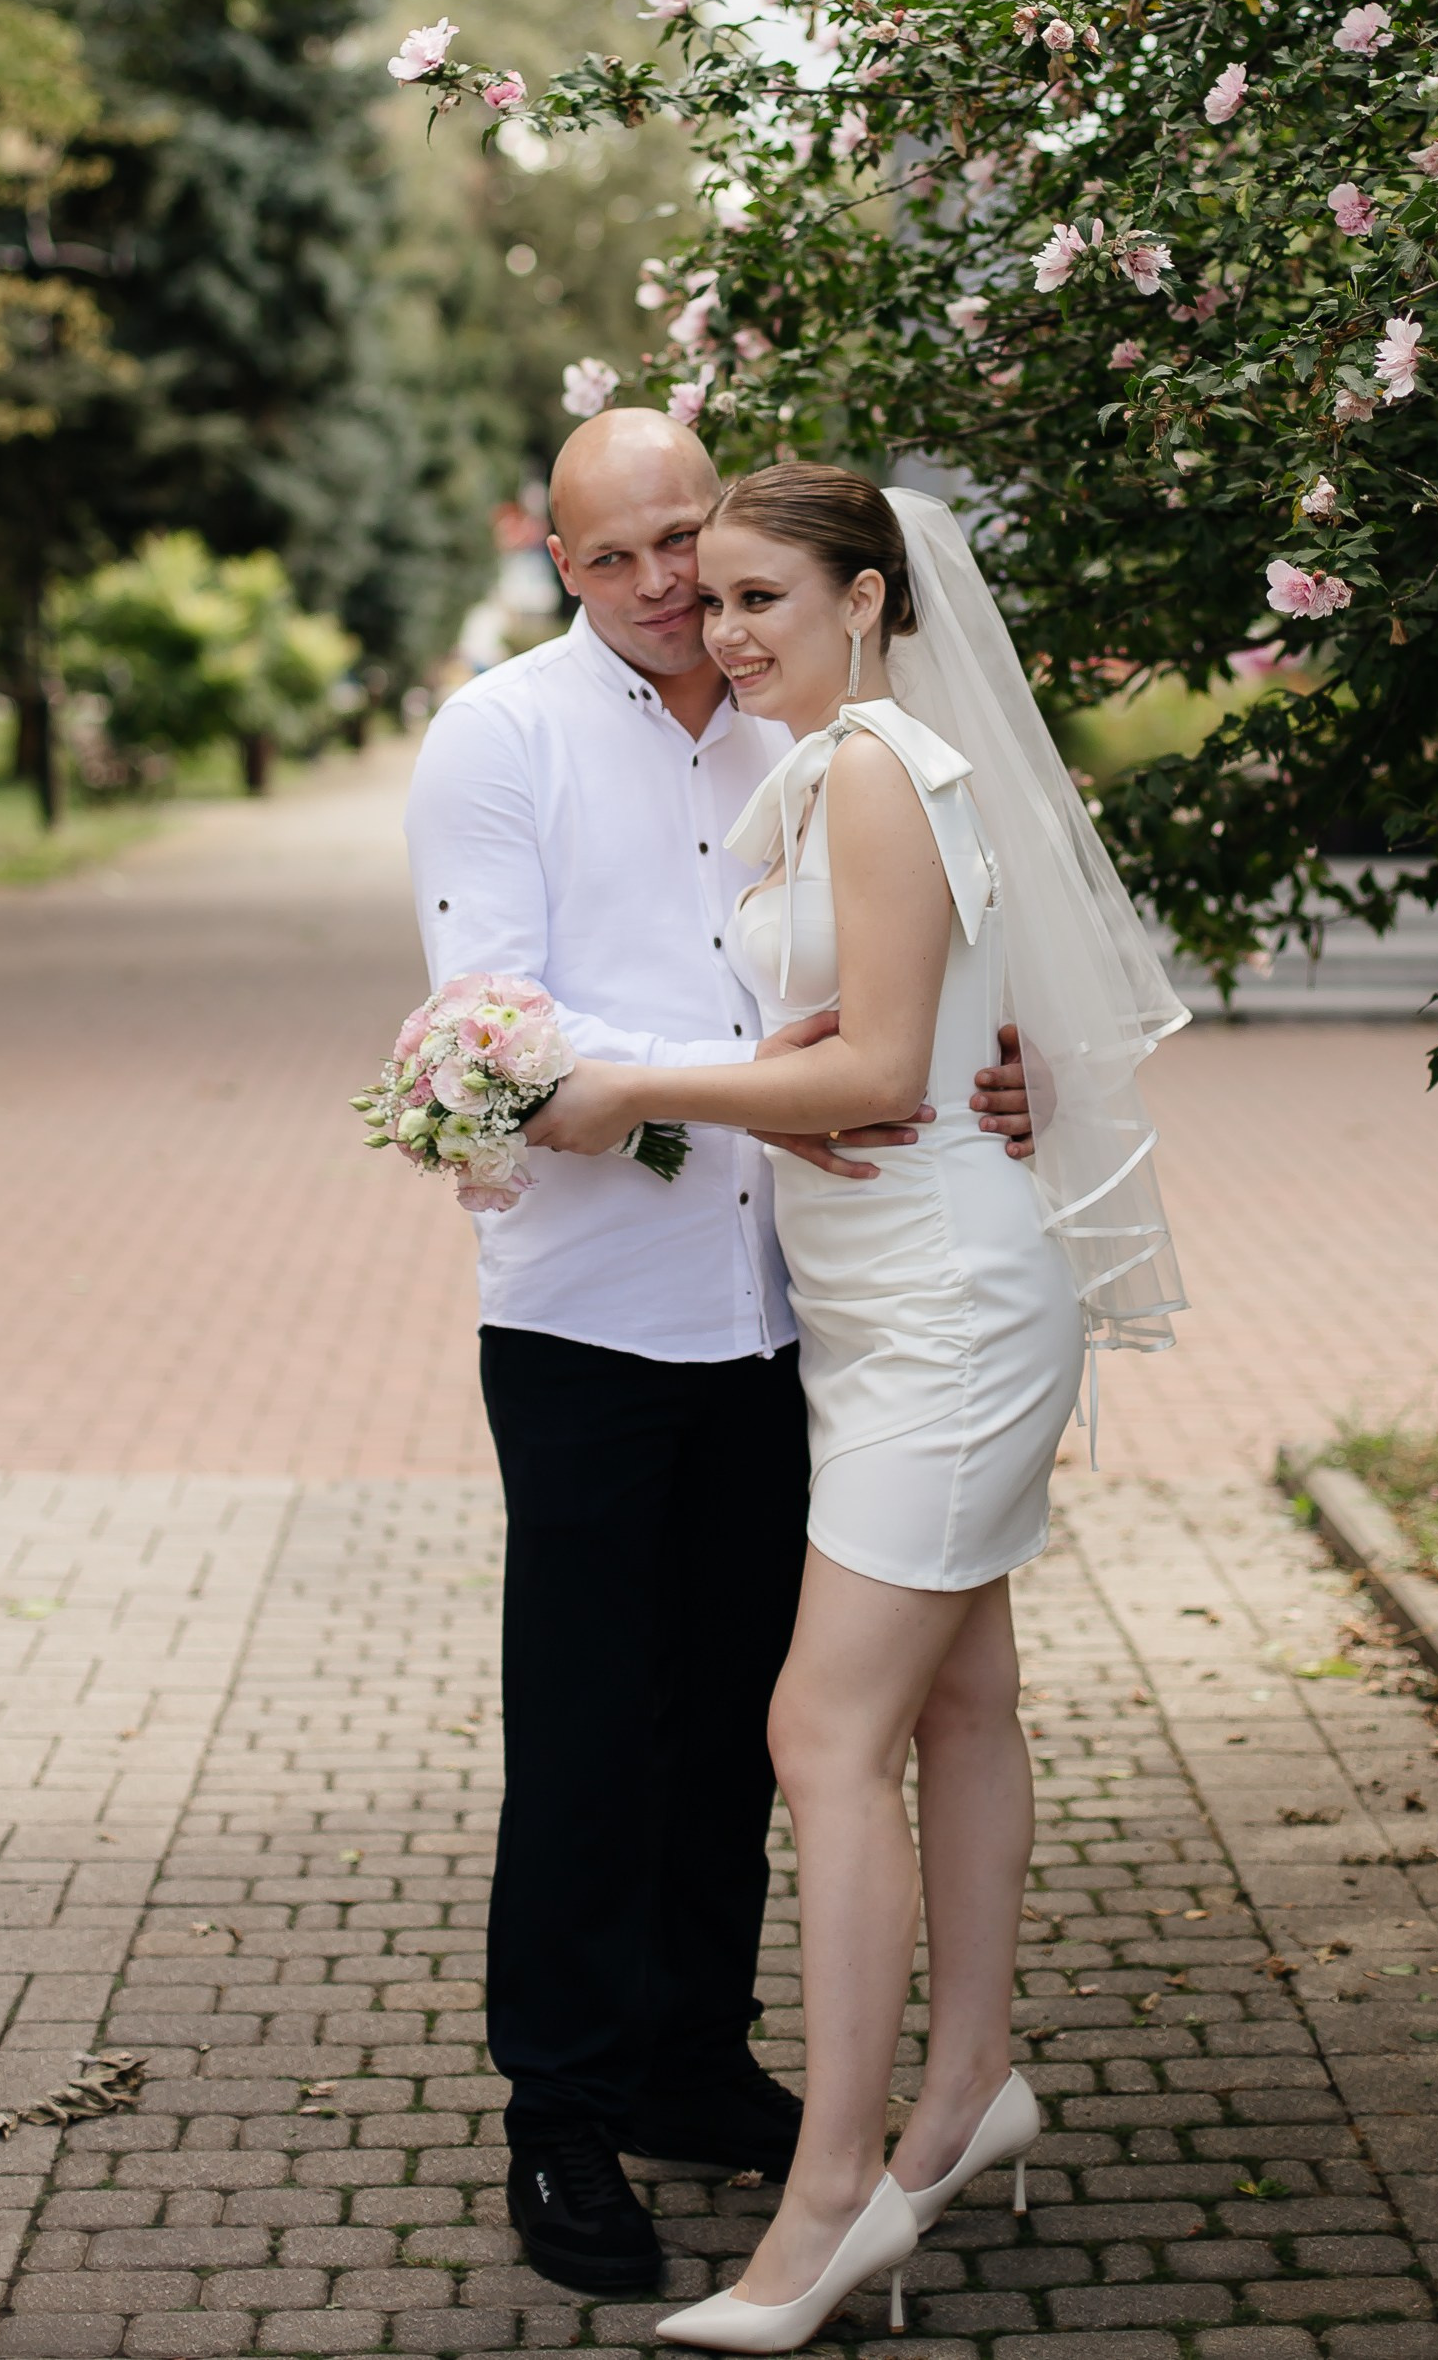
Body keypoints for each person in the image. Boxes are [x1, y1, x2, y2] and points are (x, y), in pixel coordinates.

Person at [527, 465, 1189, 2353]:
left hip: (949, 1316)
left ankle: (828, 2207)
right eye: (709, 601)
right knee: (961, 1696)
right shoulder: (832, 770)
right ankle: (967, 2088)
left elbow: (884, 1065)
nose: (726, 630)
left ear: (872, 601)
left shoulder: (879, 771)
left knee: (818, 1731)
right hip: (884, 1301)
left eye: (764, 599)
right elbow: (939, 1032)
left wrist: (632, 1088)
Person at [401, 413, 1035, 2299]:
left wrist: (988, 1051)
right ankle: (565, 2111)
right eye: (618, 559)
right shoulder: (499, 737)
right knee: (594, 1725)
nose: (670, 587)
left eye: (689, 538)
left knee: (755, 1731)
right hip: (597, 1309)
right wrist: (775, 1089)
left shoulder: (803, 686)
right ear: (563, 568)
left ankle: (693, 2053)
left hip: (807, 1313)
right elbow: (495, 1012)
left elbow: (931, 947)